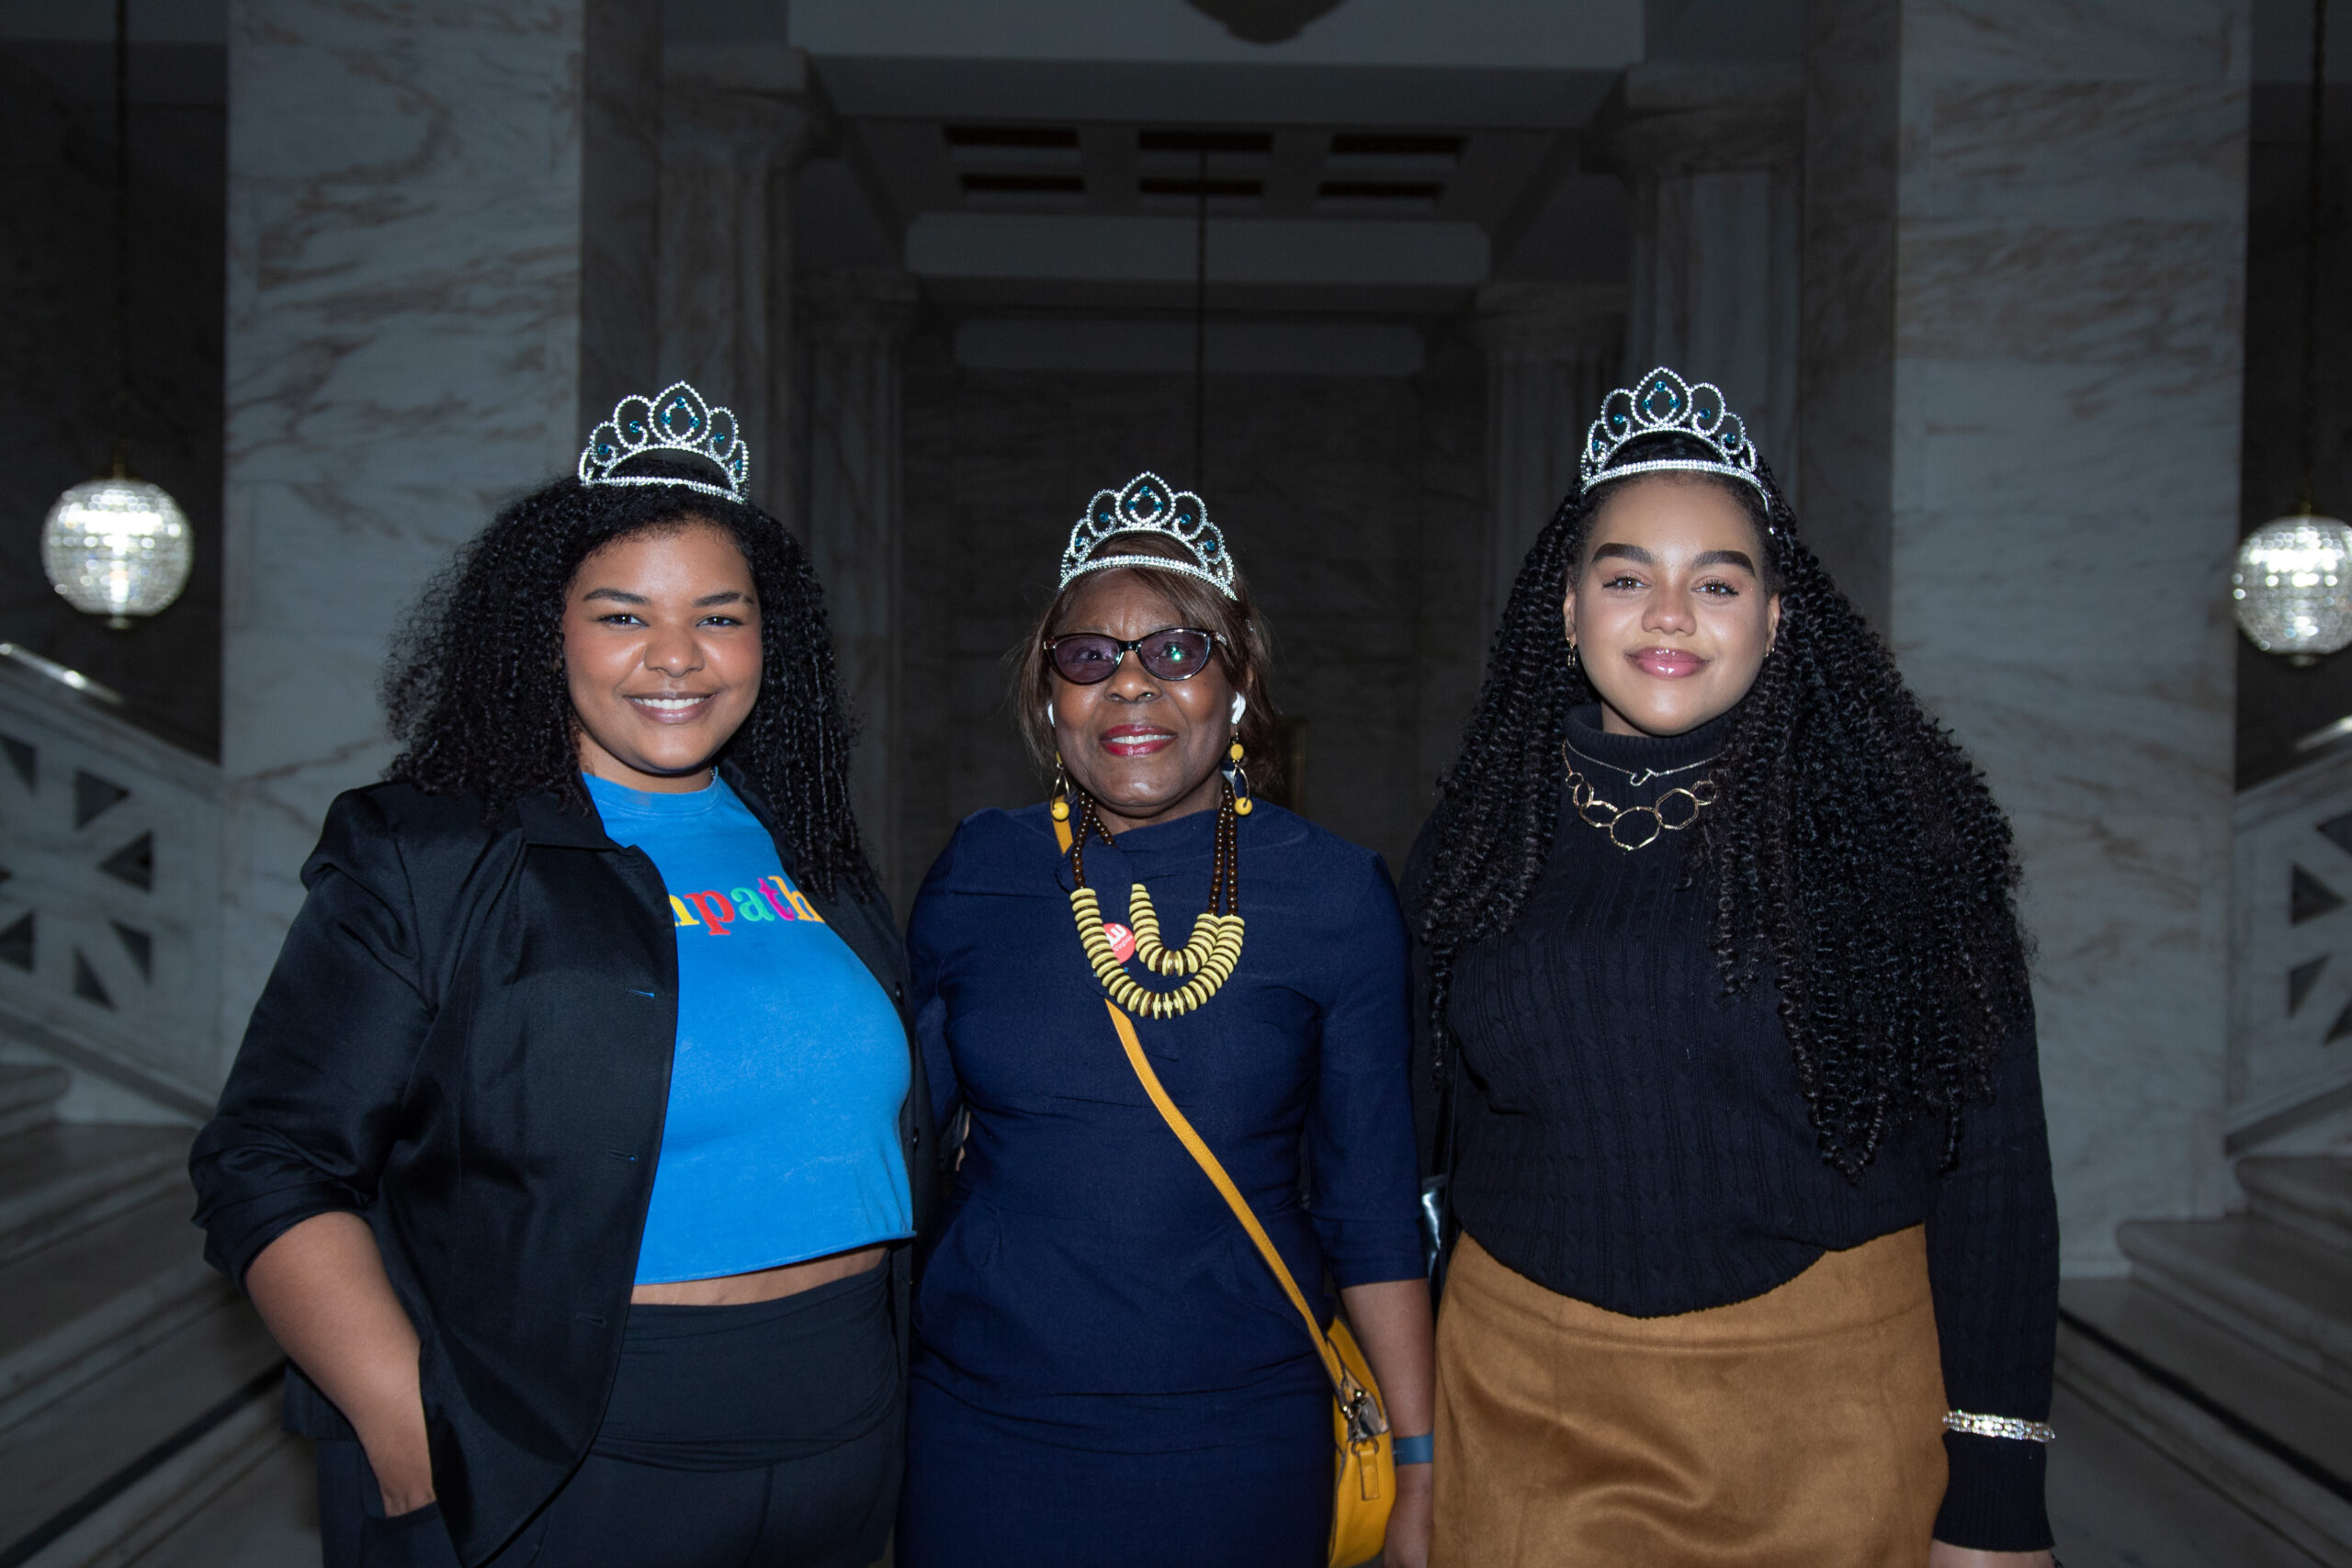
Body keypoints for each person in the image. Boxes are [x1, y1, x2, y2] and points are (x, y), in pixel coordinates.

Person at [189, 383, 937, 1568]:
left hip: (843, 1428)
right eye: (623, 614)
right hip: (564, 1446)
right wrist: (403, 1425)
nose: (678, 657)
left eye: (722, 616)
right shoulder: (433, 850)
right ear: (547, 633)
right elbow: (268, 1163)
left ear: (768, 638)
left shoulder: (811, 848)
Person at [1409, 368, 2060, 1568]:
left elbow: (1998, 1173)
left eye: (1718, 580)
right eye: (1625, 576)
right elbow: (1418, 1139)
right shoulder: (1476, 833)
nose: (1669, 613)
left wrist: (1998, 1492)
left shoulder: (1895, 833)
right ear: (1565, 608)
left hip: (1827, 1412)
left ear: (1777, 615)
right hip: (1522, 1400)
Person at [893, 474, 1434, 1568]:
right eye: (1088, 657)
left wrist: (1419, 1463)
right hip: (982, 1427)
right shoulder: (981, 871)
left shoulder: (1332, 894)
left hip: (1238, 1434)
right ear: (1051, 699)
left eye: (1178, 652)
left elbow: (1372, 1203)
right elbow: (900, 1152)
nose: (1131, 685)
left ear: (1236, 689)